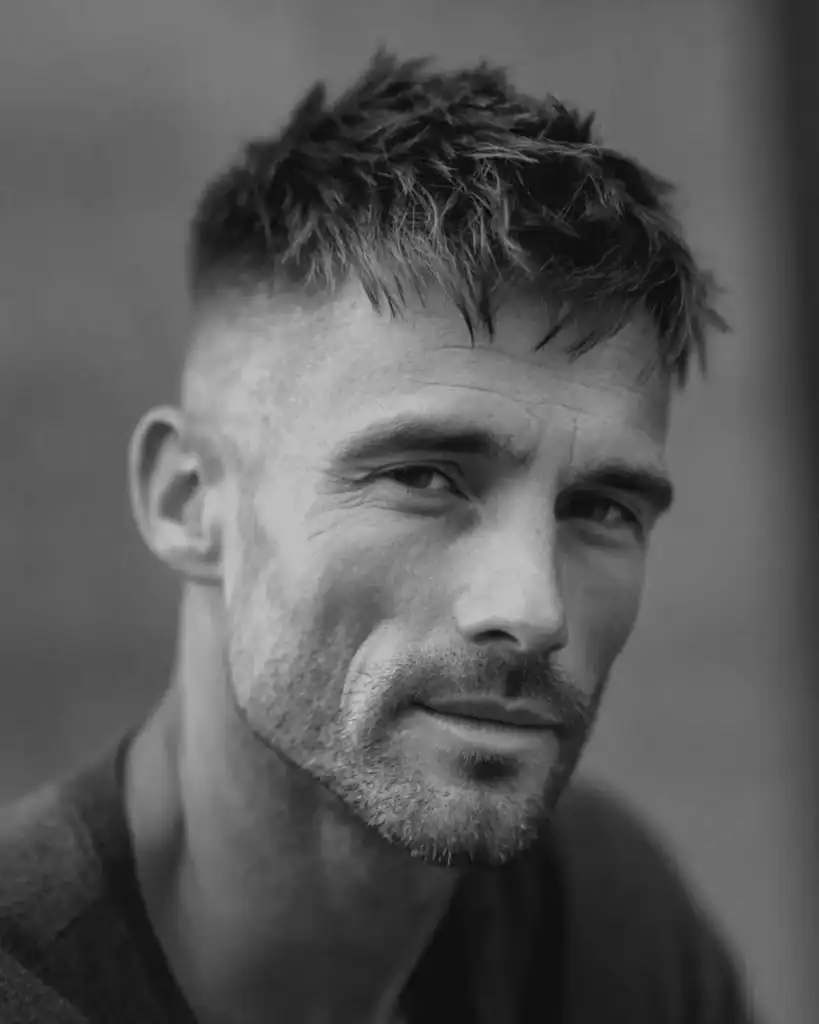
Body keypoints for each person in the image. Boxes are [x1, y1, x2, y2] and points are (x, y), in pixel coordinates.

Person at [0, 52, 757, 1023]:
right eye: (424, 478)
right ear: (190, 501)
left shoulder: (611, 926)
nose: (533, 608)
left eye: (602, 507)